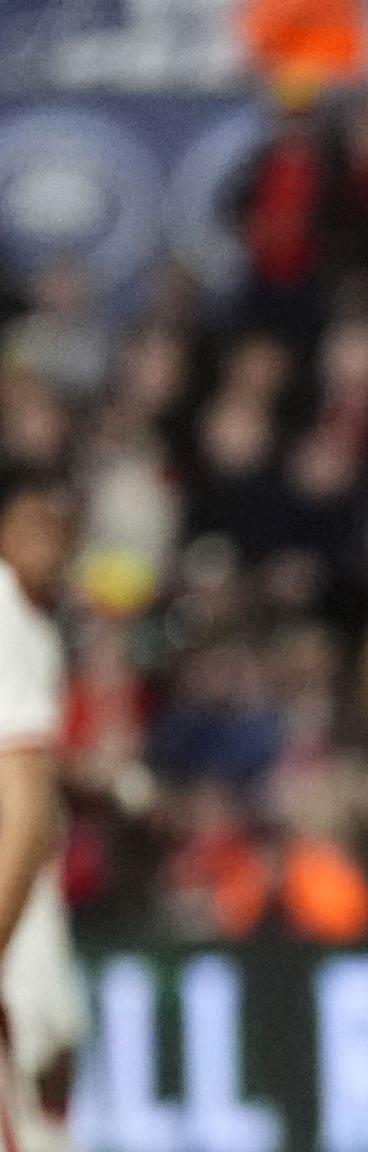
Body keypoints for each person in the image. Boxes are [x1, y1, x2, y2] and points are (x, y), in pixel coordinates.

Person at [0, 471, 84, 1151]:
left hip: (25, 889)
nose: (44, 546)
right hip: (17, 888)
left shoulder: (17, 615)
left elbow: (31, 792)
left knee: (49, 1056)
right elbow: (30, 794)